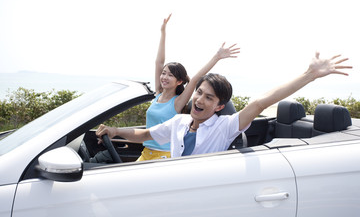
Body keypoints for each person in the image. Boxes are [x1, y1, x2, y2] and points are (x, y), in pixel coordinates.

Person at [97, 52, 352, 158]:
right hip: (173, 182)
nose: (199, 100)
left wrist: (309, 75)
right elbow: (146, 134)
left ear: (219, 106)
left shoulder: (226, 126)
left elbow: (262, 102)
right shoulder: (180, 122)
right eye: (199, 93)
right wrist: (116, 131)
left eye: (209, 98)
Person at [136, 14, 239, 161]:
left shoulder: (178, 102)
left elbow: (196, 78)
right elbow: (159, 62)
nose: (164, 77)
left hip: (163, 156)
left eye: (170, 75)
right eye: (164, 73)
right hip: (146, 152)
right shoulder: (158, 94)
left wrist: (216, 57)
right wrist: (163, 32)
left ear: (179, 81)